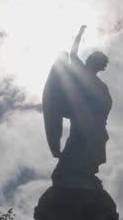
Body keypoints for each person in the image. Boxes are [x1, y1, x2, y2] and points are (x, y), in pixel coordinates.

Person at [45, 25, 111, 186]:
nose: (103, 66)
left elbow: (104, 103)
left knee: (91, 145)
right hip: (82, 119)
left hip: (96, 123)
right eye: (101, 62)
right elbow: (73, 53)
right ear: (92, 62)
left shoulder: (101, 84)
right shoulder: (81, 70)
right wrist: (79, 34)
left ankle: (86, 170)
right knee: (77, 143)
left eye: (103, 64)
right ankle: (65, 171)